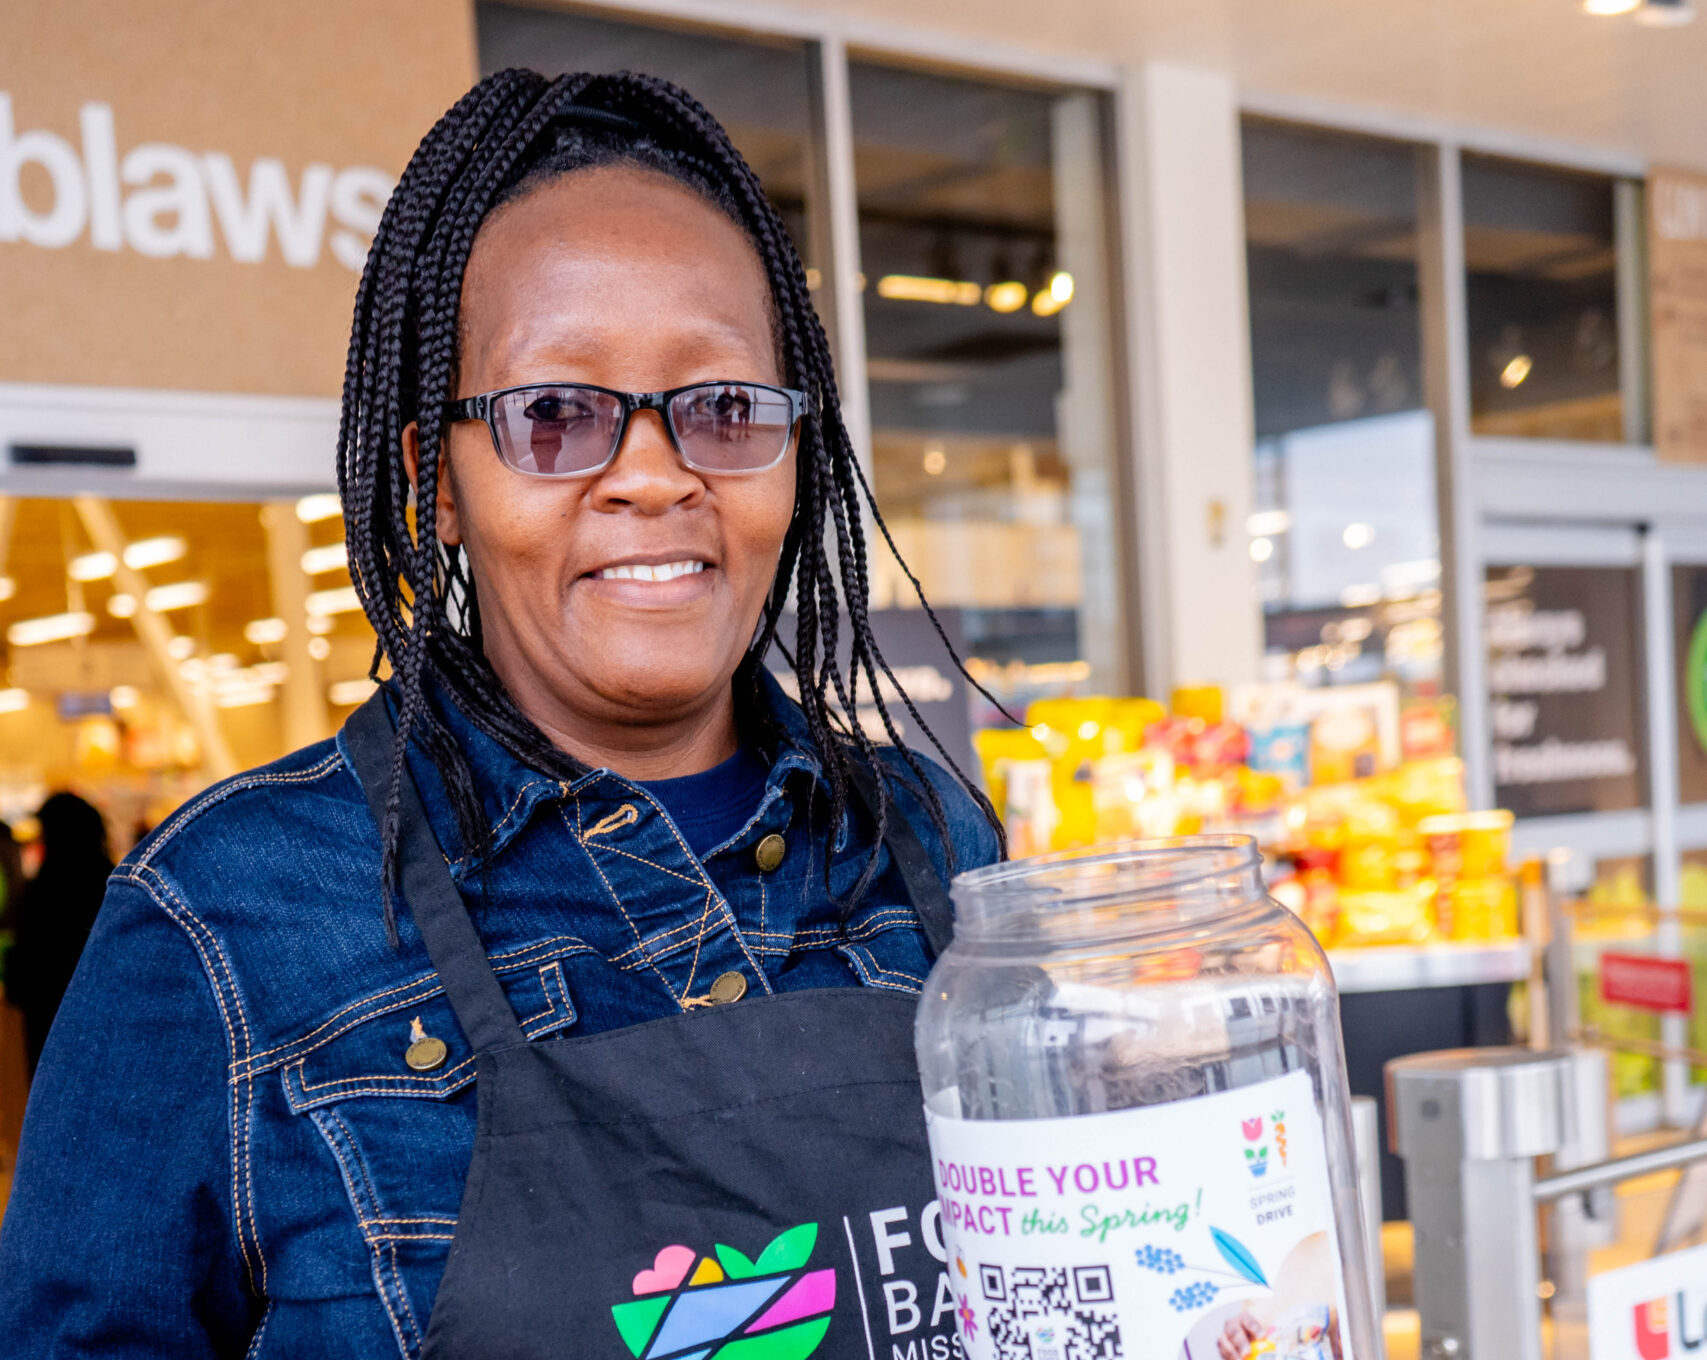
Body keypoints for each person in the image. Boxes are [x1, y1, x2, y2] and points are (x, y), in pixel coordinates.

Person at [0, 70, 1003, 1357]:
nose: (654, 473)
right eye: (555, 415)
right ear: (438, 484)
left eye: (725, 406)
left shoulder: (929, 842)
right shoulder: (225, 922)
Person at [2, 794, 112, 1078]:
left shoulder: (46, 884)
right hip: (96, 1014)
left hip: (49, 1008)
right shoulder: (110, 881)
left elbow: (29, 946)